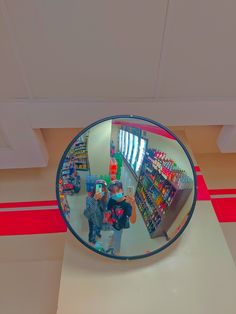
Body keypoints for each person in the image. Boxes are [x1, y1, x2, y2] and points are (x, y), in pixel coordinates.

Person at [106, 180, 134, 255]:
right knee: (113, 234)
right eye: (112, 192)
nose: (114, 194)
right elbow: (108, 209)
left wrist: (132, 204)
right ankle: (112, 240)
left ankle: (116, 252)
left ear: (122, 190)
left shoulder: (126, 203)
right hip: (112, 223)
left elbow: (131, 217)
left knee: (117, 240)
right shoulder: (112, 200)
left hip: (120, 226)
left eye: (117, 191)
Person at [84, 180, 108, 244]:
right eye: (100, 189)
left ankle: (98, 233)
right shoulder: (89, 199)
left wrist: (105, 216)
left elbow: (104, 209)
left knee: (98, 228)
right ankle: (91, 239)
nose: (101, 191)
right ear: (95, 189)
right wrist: (95, 199)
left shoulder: (105, 198)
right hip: (92, 220)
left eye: (103, 190)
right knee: (92, 231)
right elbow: (87, 213)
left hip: (100, 218)